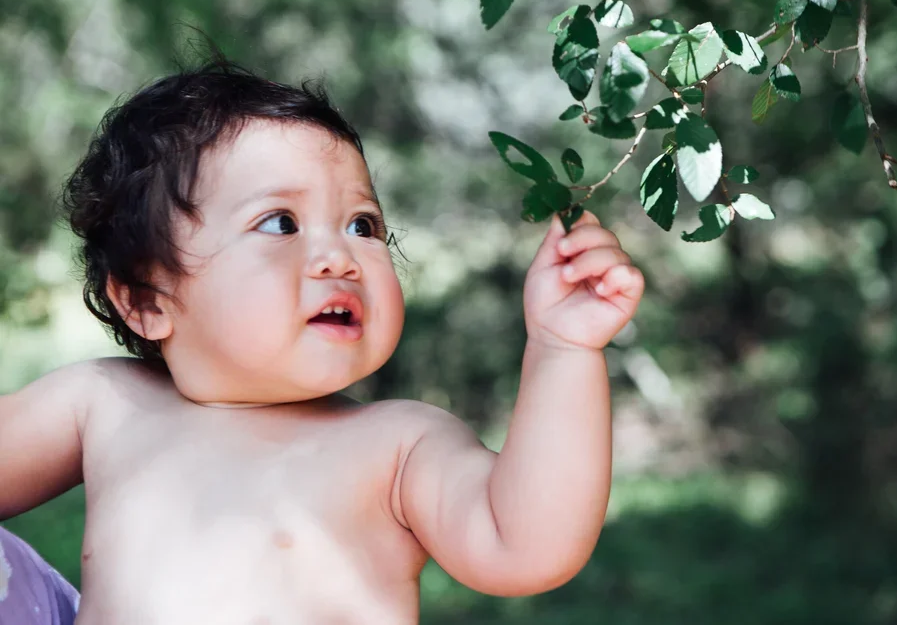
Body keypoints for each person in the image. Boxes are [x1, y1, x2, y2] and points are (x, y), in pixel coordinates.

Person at [0, 57, 644, 624]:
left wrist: (563, 351)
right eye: (281, 222)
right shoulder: (103, 404)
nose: (340, 256)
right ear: (146, 299)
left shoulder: (399, 445)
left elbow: (526, 547)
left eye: (363, 224)